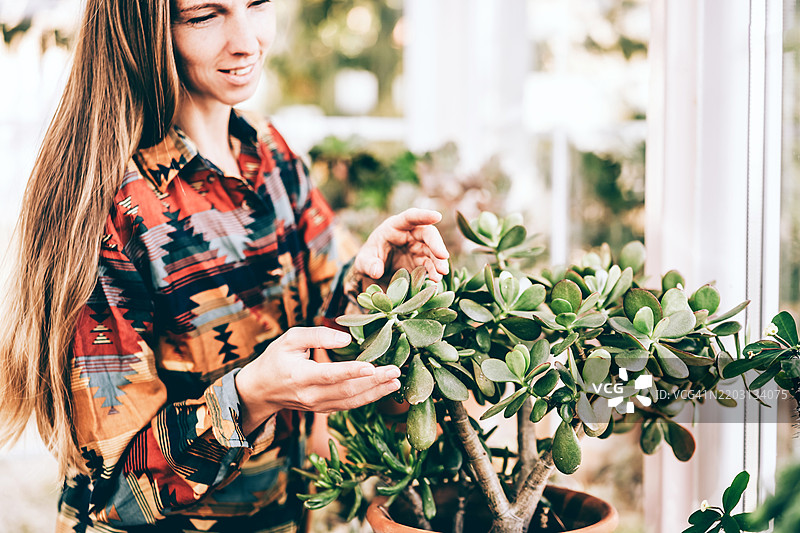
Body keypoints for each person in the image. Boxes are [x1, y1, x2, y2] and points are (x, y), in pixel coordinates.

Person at [0, 0, 449, 531]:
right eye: (204, 15)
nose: (247, 41)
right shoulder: (105, 207)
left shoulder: (272, 153)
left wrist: (372, 280)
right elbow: (112, 491)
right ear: (144, 32)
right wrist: (249, 397)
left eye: (257, 3)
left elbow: (324, 333)